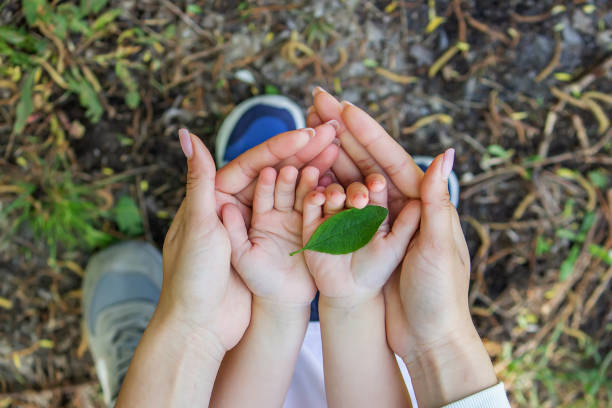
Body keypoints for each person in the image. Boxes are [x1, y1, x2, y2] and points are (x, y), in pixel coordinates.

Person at [82, 88, 510, 407]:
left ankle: (176, 373)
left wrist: (191, 334)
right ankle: (347, 294)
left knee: (186, 367)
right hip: (374, 375)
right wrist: (426, 337)